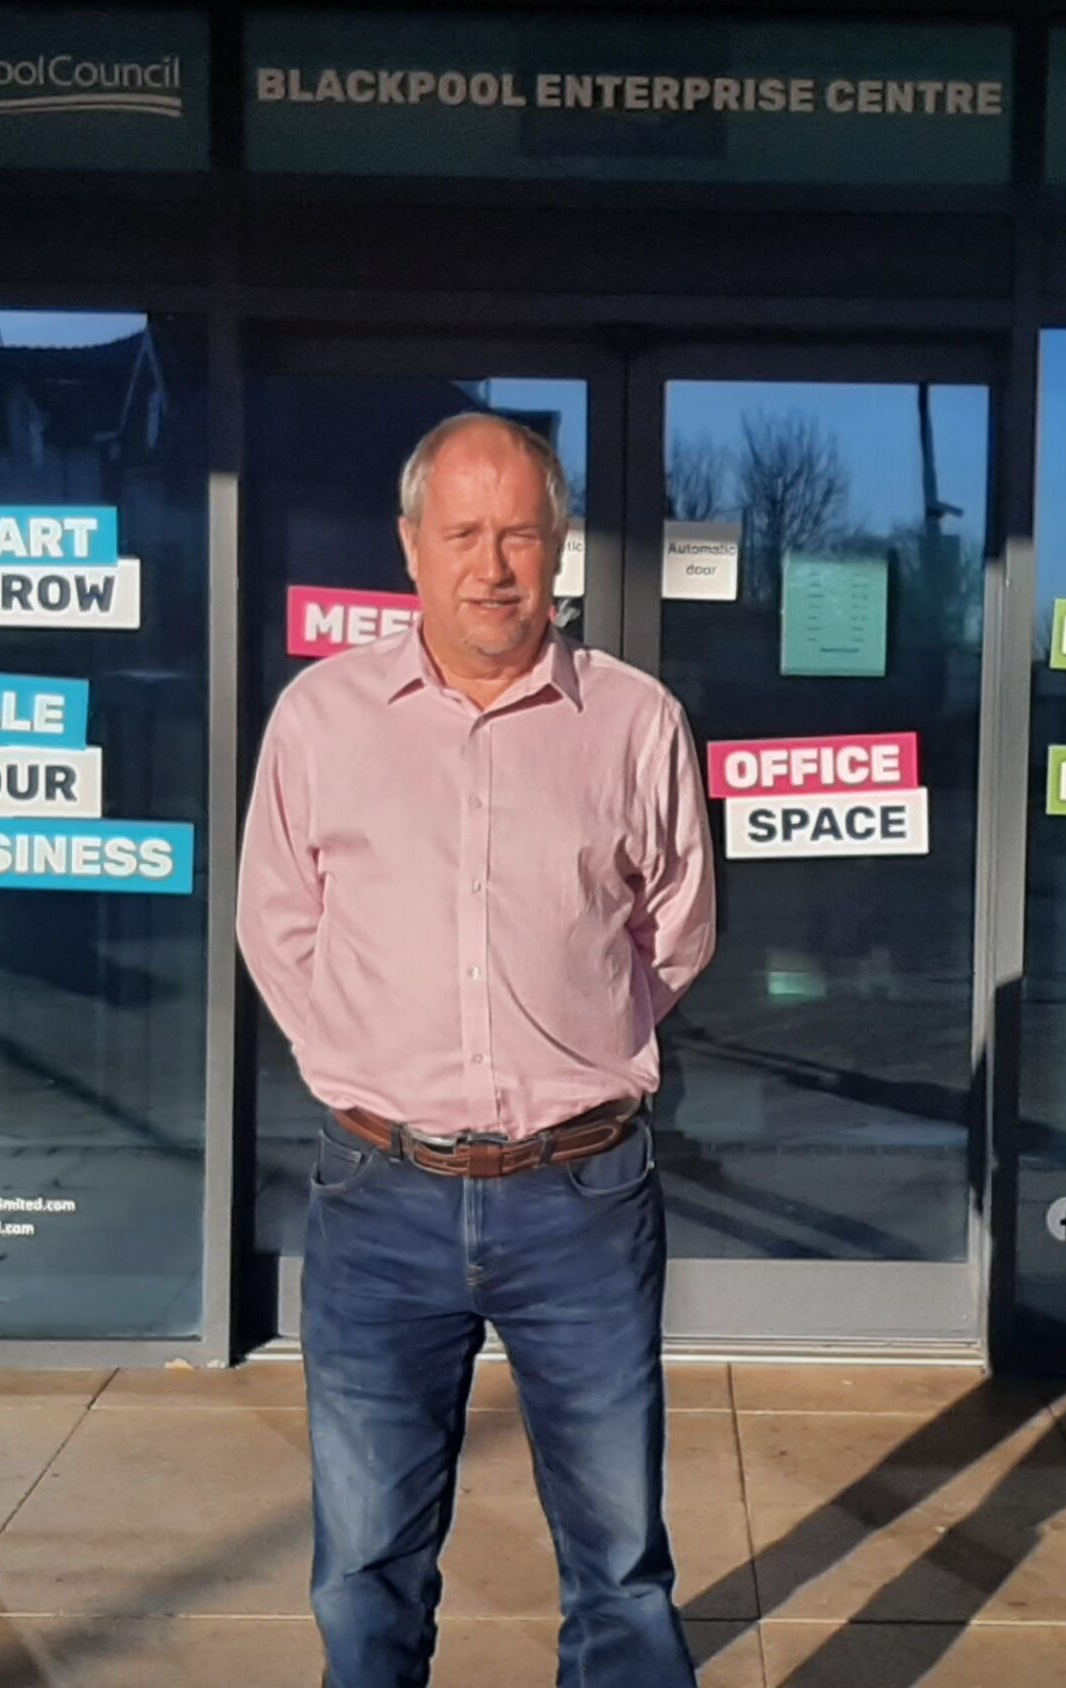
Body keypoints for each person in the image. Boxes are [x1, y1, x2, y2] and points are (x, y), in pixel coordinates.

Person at [237, 412, 718, 1688]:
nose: (492, 564)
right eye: (463, 533)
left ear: (560, 544)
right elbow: (277, 925)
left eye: (519, 532)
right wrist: (372, 1060)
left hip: (583, 1195)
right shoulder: (322, 718)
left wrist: (571, 1042)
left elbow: (673, 933)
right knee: (364, 1569)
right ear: (410, 546)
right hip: (377, 1195)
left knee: (619, 1566)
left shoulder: (634, 720)